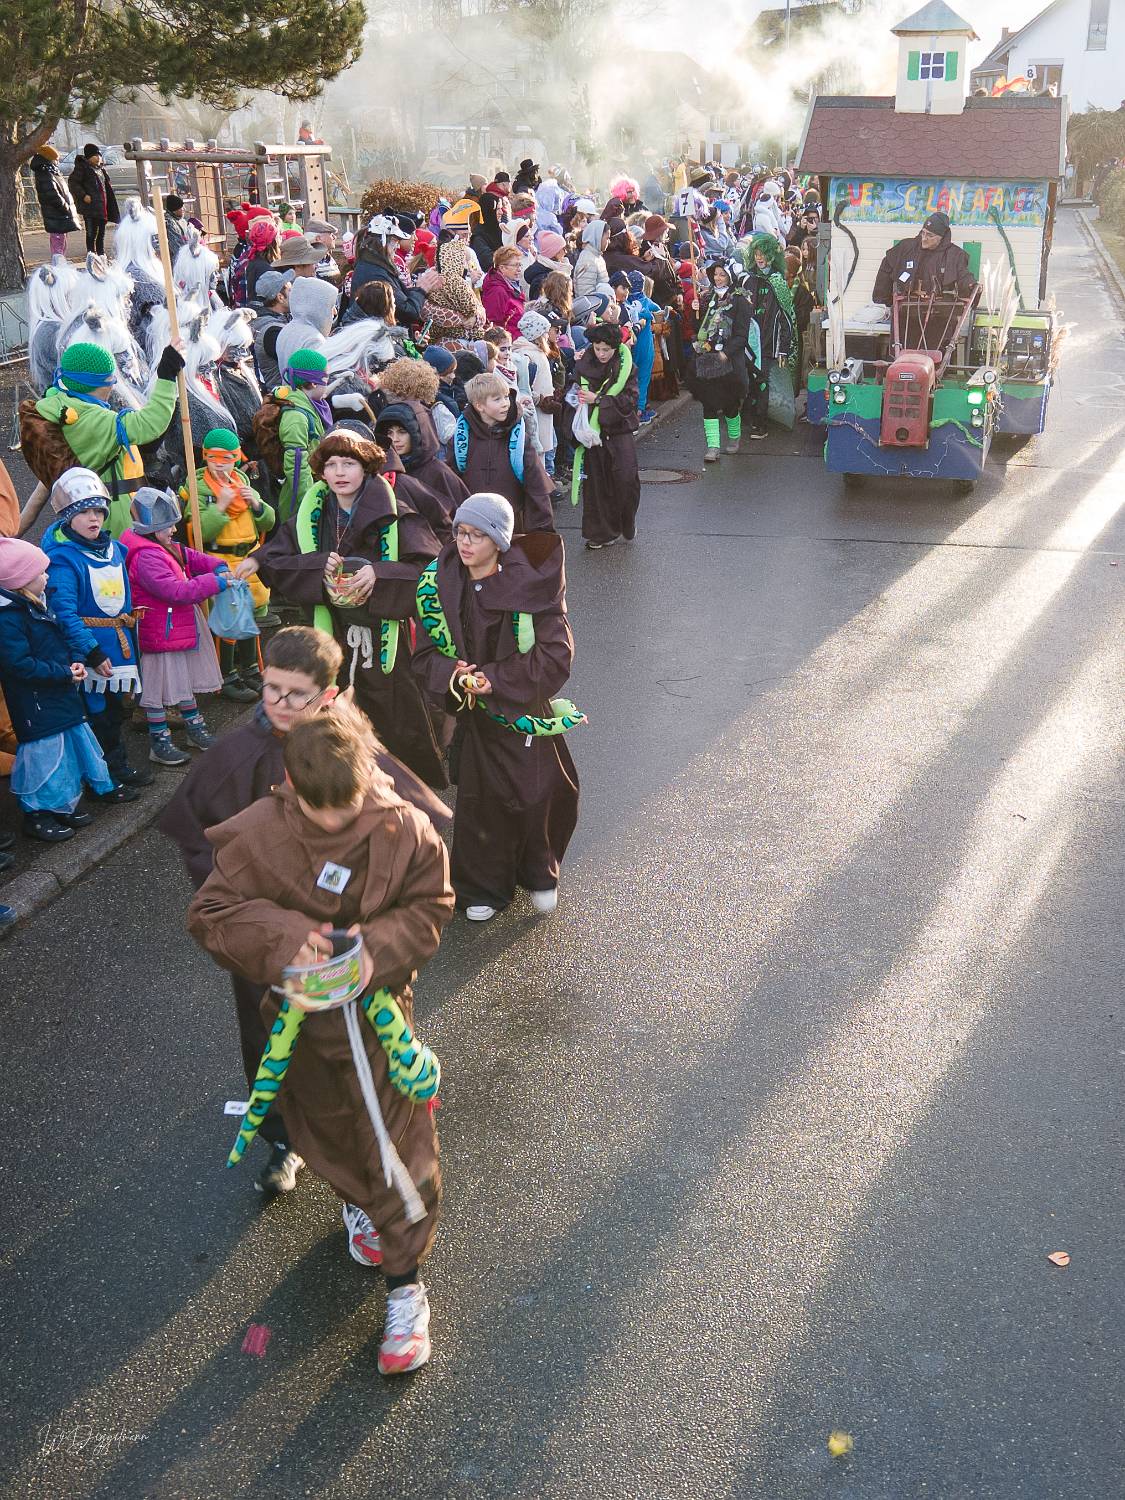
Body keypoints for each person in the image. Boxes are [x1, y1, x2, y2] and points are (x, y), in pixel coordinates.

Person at [187, 708, 454, 1375]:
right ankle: (359, 1205)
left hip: (381, 1024)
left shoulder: (404, 826)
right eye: (318, 810)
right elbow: (210, 916)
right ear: (291, 785)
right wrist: (285, 940)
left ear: (370, 771)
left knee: (399, 1154)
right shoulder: (259, 836)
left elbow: (431, 905)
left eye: (349, 805)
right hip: (303, 1036)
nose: (336, 823)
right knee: (332, 1136)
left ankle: (406, 1290)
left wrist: (373, 954)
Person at [161, 625, 450, 1194]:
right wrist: (259, 911)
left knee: (358, 1057)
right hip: (271, 947)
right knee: (267, 1041)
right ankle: (282, 1140)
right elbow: (198, 842)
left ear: (330, 693)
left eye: (296, 695)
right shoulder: (236, 755)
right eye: (270, 689)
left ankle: (366, 1169)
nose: (279, 706)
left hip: (350, 949)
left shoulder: (351, 752)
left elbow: (413, 831)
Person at [247, 428, 448, 788]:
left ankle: (402, 790)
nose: (340, 472)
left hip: (381, 637)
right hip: (332, 633)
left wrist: (379, 574)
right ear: (321, 472)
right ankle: (340, 783)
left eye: (349, 463)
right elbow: (280, 553)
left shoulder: (394, 512)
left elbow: (430, 568)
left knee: (393, 714)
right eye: (332, 464)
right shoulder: (313, 512)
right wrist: (302, 564)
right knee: (331, 712)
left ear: (366, 469)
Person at [412, 493, 579, 920]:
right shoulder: (439, 582)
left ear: (500, 541)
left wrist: (498, 680)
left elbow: (557, 654)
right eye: (460, 533)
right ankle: (482, 887)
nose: (464, 544)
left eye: (476, 535)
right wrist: (454, 673)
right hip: (475, 719)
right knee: (479, 802)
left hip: (524, 713)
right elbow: (426, 653)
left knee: (535, 795)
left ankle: (540, 873)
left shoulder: (533, 583)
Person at [0, 533, 119, 843]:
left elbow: (63, 639)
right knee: (43, 757)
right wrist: (64, 673)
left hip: (57, 693)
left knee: (64, 753)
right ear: (21, 581)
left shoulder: (38, 604)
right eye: (40, 572)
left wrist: (76, 660)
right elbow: (20, 665)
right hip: (36, 702)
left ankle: (60, 804)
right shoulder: (9, 618)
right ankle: (36, 813)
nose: (47, 576)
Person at [42, 468, 151, 792]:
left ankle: (117, 767)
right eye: (84, 512)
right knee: (97, 716)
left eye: (98, 511)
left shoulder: (116, 550)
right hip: (91, 654)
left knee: (115, 713)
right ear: (67, 516)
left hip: (119, 648)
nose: (93, 518)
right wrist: (91, 651)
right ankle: (100, 780)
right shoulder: (62, 559)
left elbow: (125, 601)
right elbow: (65, 612)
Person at [22, 339, 184, 539]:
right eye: (110, 380)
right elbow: (150, 424)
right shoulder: (94, 420)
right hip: (110, 520)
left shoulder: (54, 404)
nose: (112, 386)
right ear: (93, 383)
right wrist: (167, 375)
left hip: (78, 516)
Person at [122, 487, 232, 766]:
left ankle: (195, 728)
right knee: (158, 689)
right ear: (151, 528)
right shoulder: (146, 557)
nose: (174, 529)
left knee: (183, 680)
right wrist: (216, 582)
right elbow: (176, 591)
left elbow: (190, 556)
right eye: (168, 525)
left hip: (175, 626)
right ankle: (159, 741)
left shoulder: (159, 545)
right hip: (161, 632)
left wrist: (216, 565)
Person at [179, 427, 275, 701]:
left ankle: (251, 669)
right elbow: (197, 533)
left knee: (251, 616)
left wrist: (257, 505)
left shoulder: (242, 480)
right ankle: (226, 676)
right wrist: (219, 507)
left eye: (227, 458)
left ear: (236, 458)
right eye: (214, 458)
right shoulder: (196, 488)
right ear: (205, 457)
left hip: (248, 559)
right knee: (229, 621)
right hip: (220, 561)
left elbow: (268, 522)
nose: (220, 464)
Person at [454, 372, 555, 533]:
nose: (505, 404)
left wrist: (542, 530)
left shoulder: (519, 436)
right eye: (497, 399)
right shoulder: (462, 437)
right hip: (473, 523)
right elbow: (451, 481)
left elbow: (536, 484)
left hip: (512, 522)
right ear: (479, 405)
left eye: (506, 397)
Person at [570, 323, 640, 549]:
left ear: (615, 348)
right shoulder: (582, 366)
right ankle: (601, 533)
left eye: (606, 350)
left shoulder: (626, 367)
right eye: (597, 348)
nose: (601, 354)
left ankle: (626, 521)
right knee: (597, 485)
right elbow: (571, 396)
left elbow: (630, 400)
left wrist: (599, 401)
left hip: (619, 430)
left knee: (626, 480)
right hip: (593, 434)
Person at [686, 262, 753, 461]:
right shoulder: (708, 297)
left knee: (731, 405)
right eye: (715, 275)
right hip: (707, 358)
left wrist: (727, 353)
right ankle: (713, 447)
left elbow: (742, 335)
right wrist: (694, 311)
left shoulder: (740, 300)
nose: (717, 278)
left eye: (722, 275)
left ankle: (734, 437)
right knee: (709, 403)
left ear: (730, 277)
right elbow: (700, 329)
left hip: (729, 363)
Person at [373, 401, 469, 540]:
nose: (394, 439)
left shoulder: (438, 472)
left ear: (418, 433)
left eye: (402, 432)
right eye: (389, 432)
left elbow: (460, 519)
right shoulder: (382, 469)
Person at [738, 234, 797, 440]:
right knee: (747, 381)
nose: (759, 257)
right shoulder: (746, 279)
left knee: (762, 382)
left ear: (772, 256)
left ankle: (760, 424)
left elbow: (786, 318)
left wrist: (783, 348)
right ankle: (749, 417)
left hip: (767, 344)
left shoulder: (777, 282)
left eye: (763, 253)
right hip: (747, 342)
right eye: (756, 253)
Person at [271, 348, 334, 524]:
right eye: (326, 378)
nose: (328, 384)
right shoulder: (296, 416)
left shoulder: (309, 405)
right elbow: (296, 466)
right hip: (298, 504)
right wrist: (311, 502)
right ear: (313, 383)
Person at [872, 211, 976, 305]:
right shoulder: (906, 247)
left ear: (942, 237)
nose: (924, 238)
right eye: (923, 233)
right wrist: (882, 302)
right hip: (905, 306)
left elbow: (964, 276)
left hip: (939, 309)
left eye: (930, 235)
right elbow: (886, 267)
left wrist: (971, 285)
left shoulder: (954, 255)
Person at [351, 216, 425, 326]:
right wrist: (422, 289)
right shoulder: (375, 273)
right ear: (382, 241)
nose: (398, 245)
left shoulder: (376, 266)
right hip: (375, 338)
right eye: (395, 240)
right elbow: (407, 312)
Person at [68, 144, 120, 256]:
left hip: (102, 206)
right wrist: (83, 195)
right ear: (88, 157)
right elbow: (73, 183)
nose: (98, 158)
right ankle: (91, 253)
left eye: (99, 155)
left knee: (101, 232)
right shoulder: (82, 168)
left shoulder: (100, 169)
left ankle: (101, 253)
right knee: (91, 233)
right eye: (94, 155)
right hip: (90, 208)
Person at [29, 145, 79, 258]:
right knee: (58, 241)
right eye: (55, 159)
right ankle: (58, 265)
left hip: (59, 213)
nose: (57, 161)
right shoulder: (45, 173)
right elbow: (52, 194)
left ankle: (60, 262)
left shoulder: (52, 171)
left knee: (62, 240)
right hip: (56, 213)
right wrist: (65, 207)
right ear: (49, 158)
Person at [625, 272, 660, 422]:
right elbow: (660, 312)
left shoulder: (623, 303)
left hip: (629, 346)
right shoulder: (647, 301)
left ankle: (630, 411)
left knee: (628, 379)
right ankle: (640, 411)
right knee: (643, 378)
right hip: (645, 347)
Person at [249, 270, 291, 389]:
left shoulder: (262, 319)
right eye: (290, 290)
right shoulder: (272, 331)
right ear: (280, 297)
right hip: (281, 396)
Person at [480, 245, 527, 337]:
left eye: (520, 265)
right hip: (510, 342)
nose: (519, 269)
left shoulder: (512, 285)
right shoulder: (497, 291)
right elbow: (494, 324)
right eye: (515, 265)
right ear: (502, 268)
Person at [573, 220, 611, 301]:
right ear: (598, 236)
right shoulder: (587, 260)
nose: (609, 242)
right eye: (607, 238)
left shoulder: (597, 257)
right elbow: (585, 295)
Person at [163, 194, 189, 260]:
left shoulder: (182, 221)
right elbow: (176, 246)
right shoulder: (169, 222)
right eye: (181, 207)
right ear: (174, 209)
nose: (184, 209)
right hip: (176, 260)